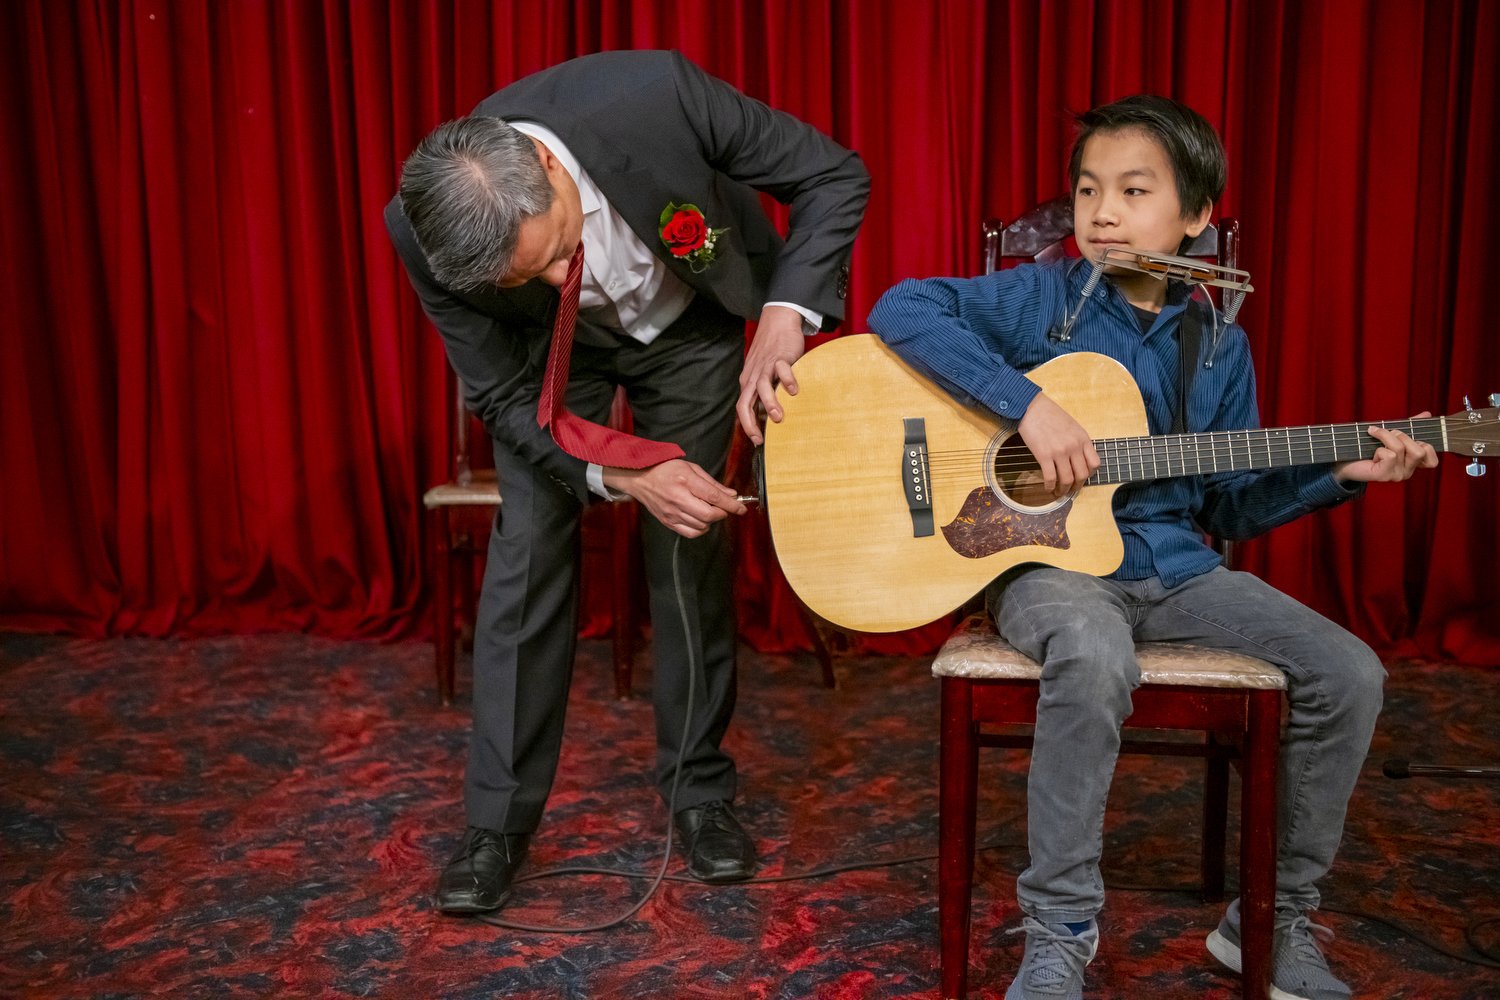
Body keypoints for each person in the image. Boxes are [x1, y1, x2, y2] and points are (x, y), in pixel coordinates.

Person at [867, 95, 1435, 1000]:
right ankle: (1058, 932)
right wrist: (1028, 404)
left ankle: (1268, 922)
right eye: (1089, 189)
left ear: (1198, 216)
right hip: (1045, 565)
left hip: (1175, 570)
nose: (1102, 212)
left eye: (1134, 191)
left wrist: (1337, 477)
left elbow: (1231, 509)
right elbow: (904, 306)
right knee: (1093, 652)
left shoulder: (1217, 343)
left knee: (1351, 671)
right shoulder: (1042, 298)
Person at [385, 50, 868, 916]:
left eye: (555, 252)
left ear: (542, 165)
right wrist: (612, 471)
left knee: (687, 541)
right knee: (528, 547)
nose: (550, 280)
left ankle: (700, 794)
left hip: (691, 325)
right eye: (519, 280)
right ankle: (495, 824)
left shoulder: (655, 99)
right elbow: (498, 391)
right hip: (548, 366)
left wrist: (785, 319)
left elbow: (835, 174)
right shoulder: (420, 227)